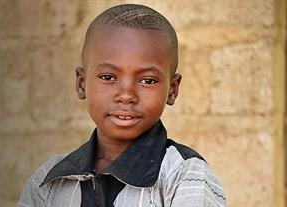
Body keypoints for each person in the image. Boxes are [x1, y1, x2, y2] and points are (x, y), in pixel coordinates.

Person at [18, 4, 226, 207]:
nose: (126, 96)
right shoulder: (49, 181)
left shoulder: (185, 176)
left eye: (147, 80)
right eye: (108, 77)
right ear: (82, 84)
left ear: (172, 89)